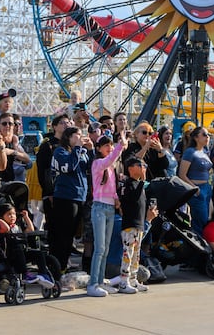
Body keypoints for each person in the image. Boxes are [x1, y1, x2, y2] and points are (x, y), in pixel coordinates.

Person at [48, 125, 92, 274]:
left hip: (79, 197)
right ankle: (58, 266)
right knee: (64, 235)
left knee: (71, 235)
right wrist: (78, 149)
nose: (80, 138)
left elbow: (91, 168)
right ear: (68, 137)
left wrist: (90, 151)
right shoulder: (60, 151)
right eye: (76, 135)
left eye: (81, 135)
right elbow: (68, 166)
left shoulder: (80, 152)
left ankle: (63, 265)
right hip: (66, 198)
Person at [88, 133, 127, 296]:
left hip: (110, 208)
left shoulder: (110, 168)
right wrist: (120, 146)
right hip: (99, 207)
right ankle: (93, 284)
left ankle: (100, 280)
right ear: (98, 148)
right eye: (106, 145)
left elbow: (111, 188)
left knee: (105, 248)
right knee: (100, 248)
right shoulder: (98, 163)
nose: (109, 148)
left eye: (110, 145)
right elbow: (109, 159)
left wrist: (117, 200)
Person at [115, 156, 157, 293]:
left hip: (139, 225)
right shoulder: (128, 184)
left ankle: (133, 279)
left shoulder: (140, 186)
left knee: (136, 255)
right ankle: (123, 281)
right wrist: (143, 180)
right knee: (128, 254)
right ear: (131, 168)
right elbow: (131, 198)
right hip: (129, 224)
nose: (143, 168)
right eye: (140, 165)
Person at [0, 202, 54, 289]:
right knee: (18, 249)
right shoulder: (1, 227)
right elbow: (6, 228)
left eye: (14, 214)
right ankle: (25, 274)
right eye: (9, 214)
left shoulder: (17, 226)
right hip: (9, 255)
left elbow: (30, 230)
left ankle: (43, 274)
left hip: (23, 252)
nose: (12, 216)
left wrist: (26, 217)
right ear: (2, 216)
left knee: (39, 253)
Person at [177, 126, 213, 235]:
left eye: (208, 135)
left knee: (206, 218)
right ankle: (198, 246)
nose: (207, 137)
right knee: (200, 219)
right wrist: (195, 188)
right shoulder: (190, 152)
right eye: (204, 134)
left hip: (207, 188)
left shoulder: (205, 151)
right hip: (196, 189)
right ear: (196, 138)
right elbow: (182, 174)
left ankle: (203, 244)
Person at [0, 113, 32, 184]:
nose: (7, 126)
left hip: (13, 182)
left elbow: (28, 160)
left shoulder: (14, 141)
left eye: (10, 124)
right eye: (4, 124)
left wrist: (12, 152)